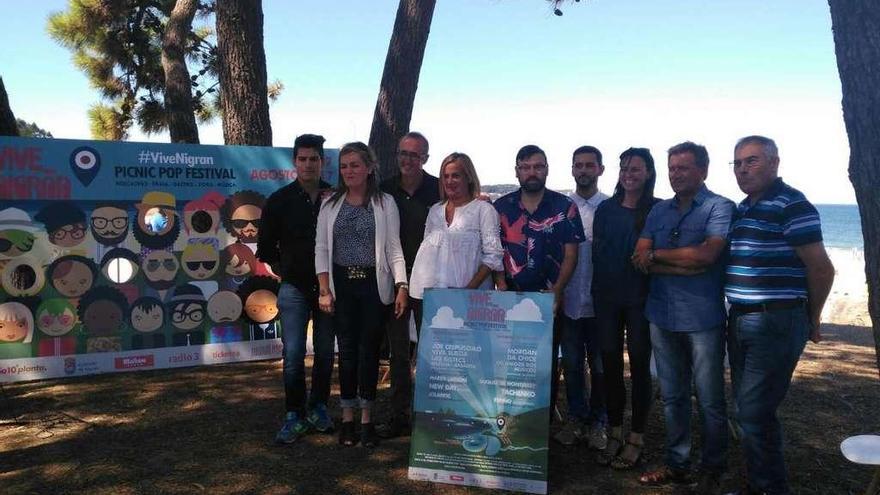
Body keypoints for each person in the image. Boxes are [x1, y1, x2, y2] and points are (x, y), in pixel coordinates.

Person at [725, 136, 834, 495]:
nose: (743, 169)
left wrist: (811, 318)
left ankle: (771, 488)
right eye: (738, 163)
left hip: (776, 321)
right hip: (741, 319)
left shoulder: (792, 204)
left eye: (751, 161)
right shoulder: (742, 209)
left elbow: (821, 269)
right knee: (749, 411)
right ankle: (760, 482)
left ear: (774, 162)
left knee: (753, 414)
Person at [631, 141, 734, 493]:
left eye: (684, 168)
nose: (676, 174)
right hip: (661, 315)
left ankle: (713, 468)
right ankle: (677, 464)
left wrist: (659, 259)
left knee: (709, 398)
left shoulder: (720, 207)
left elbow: (707, 256)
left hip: (702, 319)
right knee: (673, 396)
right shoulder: (659, 211)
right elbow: (639, 256)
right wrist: (680, 263)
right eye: (672, 168)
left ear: (703, 170)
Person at [315, 141, 408, 448]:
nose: (349, 171)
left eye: (355, 165)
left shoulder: (385, 203)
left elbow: (394, 248)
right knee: (348, 352)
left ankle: (367, 418)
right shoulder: (329, 203)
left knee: (369, 352)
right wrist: (325, 289)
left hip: (373, 286)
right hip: (342, 287)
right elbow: (322, 249)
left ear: (369, 168)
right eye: (344, 166)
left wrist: (401, 286)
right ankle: (347, 419)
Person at [494, 144, 585, 422]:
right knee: (506, 364)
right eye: (525, 167)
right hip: (509, 299)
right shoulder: (501, 207)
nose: (532, 172)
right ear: (517, 171)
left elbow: (572, 252)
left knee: (544, 366)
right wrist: (500, 284)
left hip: (548, 300)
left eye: (538, 166)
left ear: (546, 169)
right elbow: (492, 250)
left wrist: (557, 291)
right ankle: (508, 420)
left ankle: (540, 425)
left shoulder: (564, 206)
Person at [257, 133, 336, 444]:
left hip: (329, 290)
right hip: (294, 289)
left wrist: (326, 285)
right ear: (294, 162)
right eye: (302, 159)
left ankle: (318, 407)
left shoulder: (335, 197)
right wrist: (288, 274)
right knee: (292, 354)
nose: (308, 164)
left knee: (326, 352)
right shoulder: (279, 200)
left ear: (322, 161)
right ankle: (294, 413)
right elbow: (265, 249)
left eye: (313, 159)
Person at [592, 147, 659, 469]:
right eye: (624, 169)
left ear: (648, 173)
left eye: (635, 169)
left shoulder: (658, 210)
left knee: (641, 370)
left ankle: (637, 437)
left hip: (642, 302)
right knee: (609, 368)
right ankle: (615, 431)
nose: (629, 174)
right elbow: (599, 254)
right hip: (606, 300)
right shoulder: (606, 209)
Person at [377, 131, 440, 438]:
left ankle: (432, 415)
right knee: (399, 352)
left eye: (414, 155)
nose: (407, 159)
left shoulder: (439, 189)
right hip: (396, 282)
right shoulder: (384, 189)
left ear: (425, 158)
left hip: (431, 281)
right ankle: (399, 415)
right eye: (403, 153)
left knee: (431, 351)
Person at [554, 146, 609, 448]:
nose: (584, 170)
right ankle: (577, 419)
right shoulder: (562, 207)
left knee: (600, 366)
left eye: (590, 165)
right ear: (572, 170)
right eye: (579, 165)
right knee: (573, 365)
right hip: (569, 301)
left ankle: (599, 422)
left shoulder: (611, 207)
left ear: (600, 169)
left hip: (601, 305)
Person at [408, 152, 503, 299]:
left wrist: (467, 290)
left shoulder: (483, 210)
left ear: (469, 178)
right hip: (435, 296)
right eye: (446, 176)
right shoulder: (435, 210)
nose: (449, 181)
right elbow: (427, 252)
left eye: (456, 176)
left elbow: (493, 255)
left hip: (472, 299)